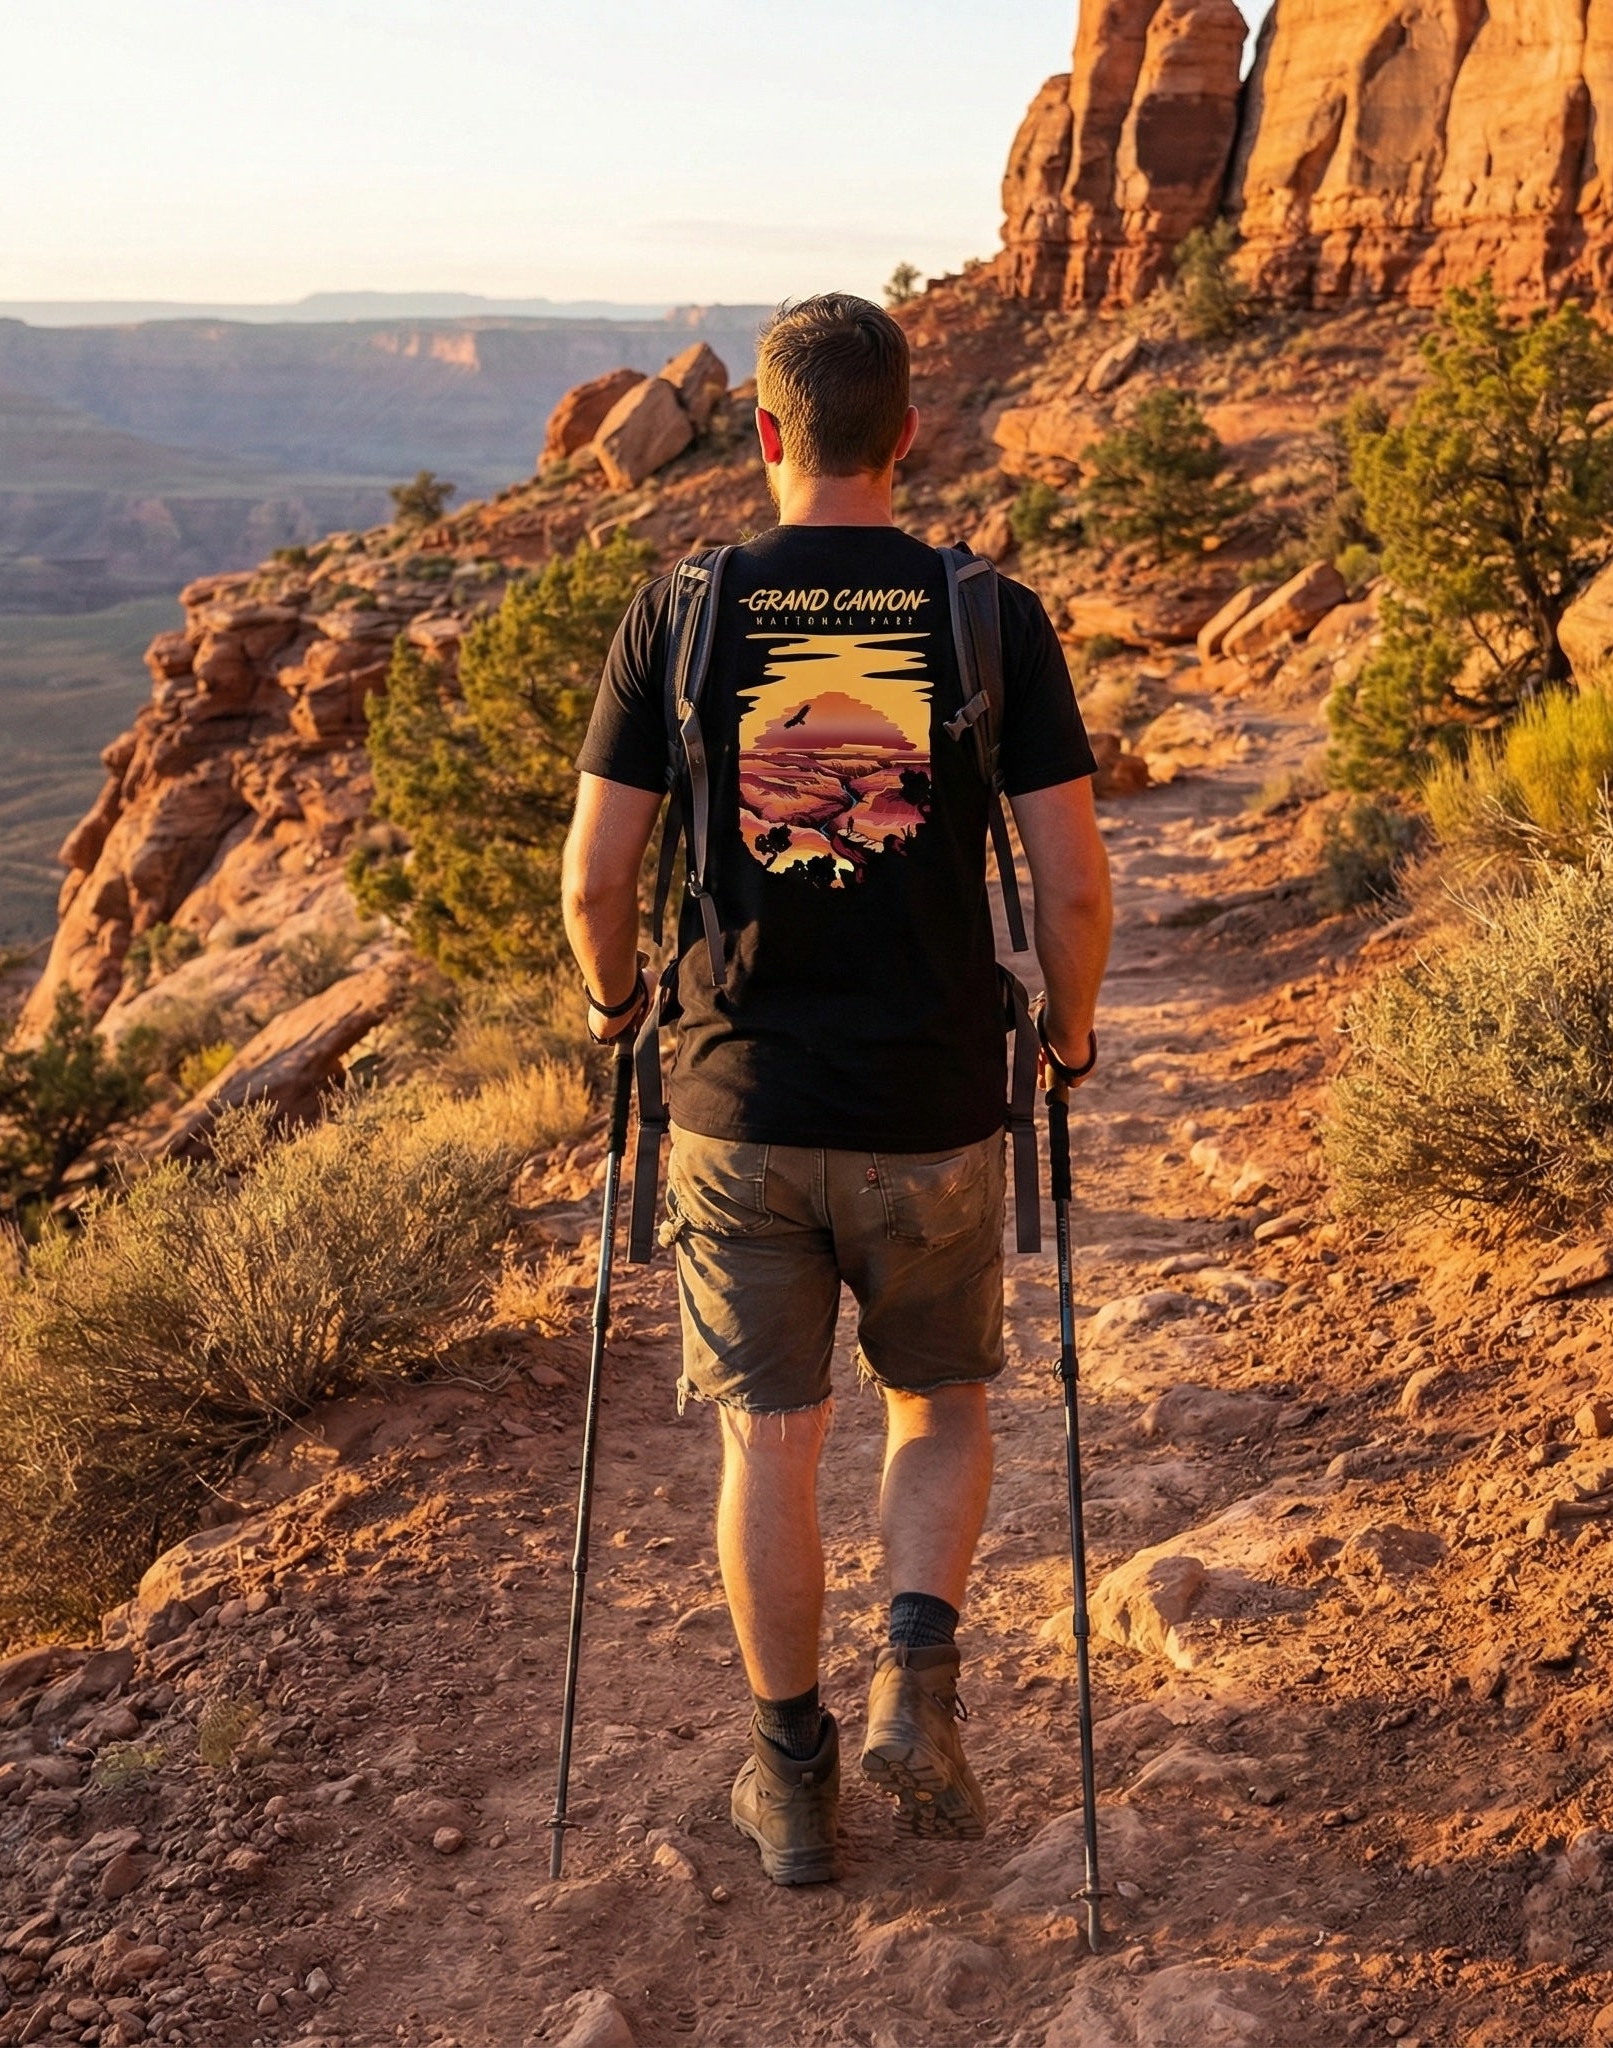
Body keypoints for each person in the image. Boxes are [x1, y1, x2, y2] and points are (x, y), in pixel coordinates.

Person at [561, 293, 1111, 1885]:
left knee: (770, 1444)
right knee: (938, 1402)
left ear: (767, 433)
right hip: (933, 1104)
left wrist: (614, 1013)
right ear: (912, 434)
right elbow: (1071, 887)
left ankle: (791, 1779)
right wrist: (1068, 1036)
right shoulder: (985, 613)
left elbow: (599, 878)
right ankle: (914, 1681)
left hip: (738, 1107)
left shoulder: (680, 609)